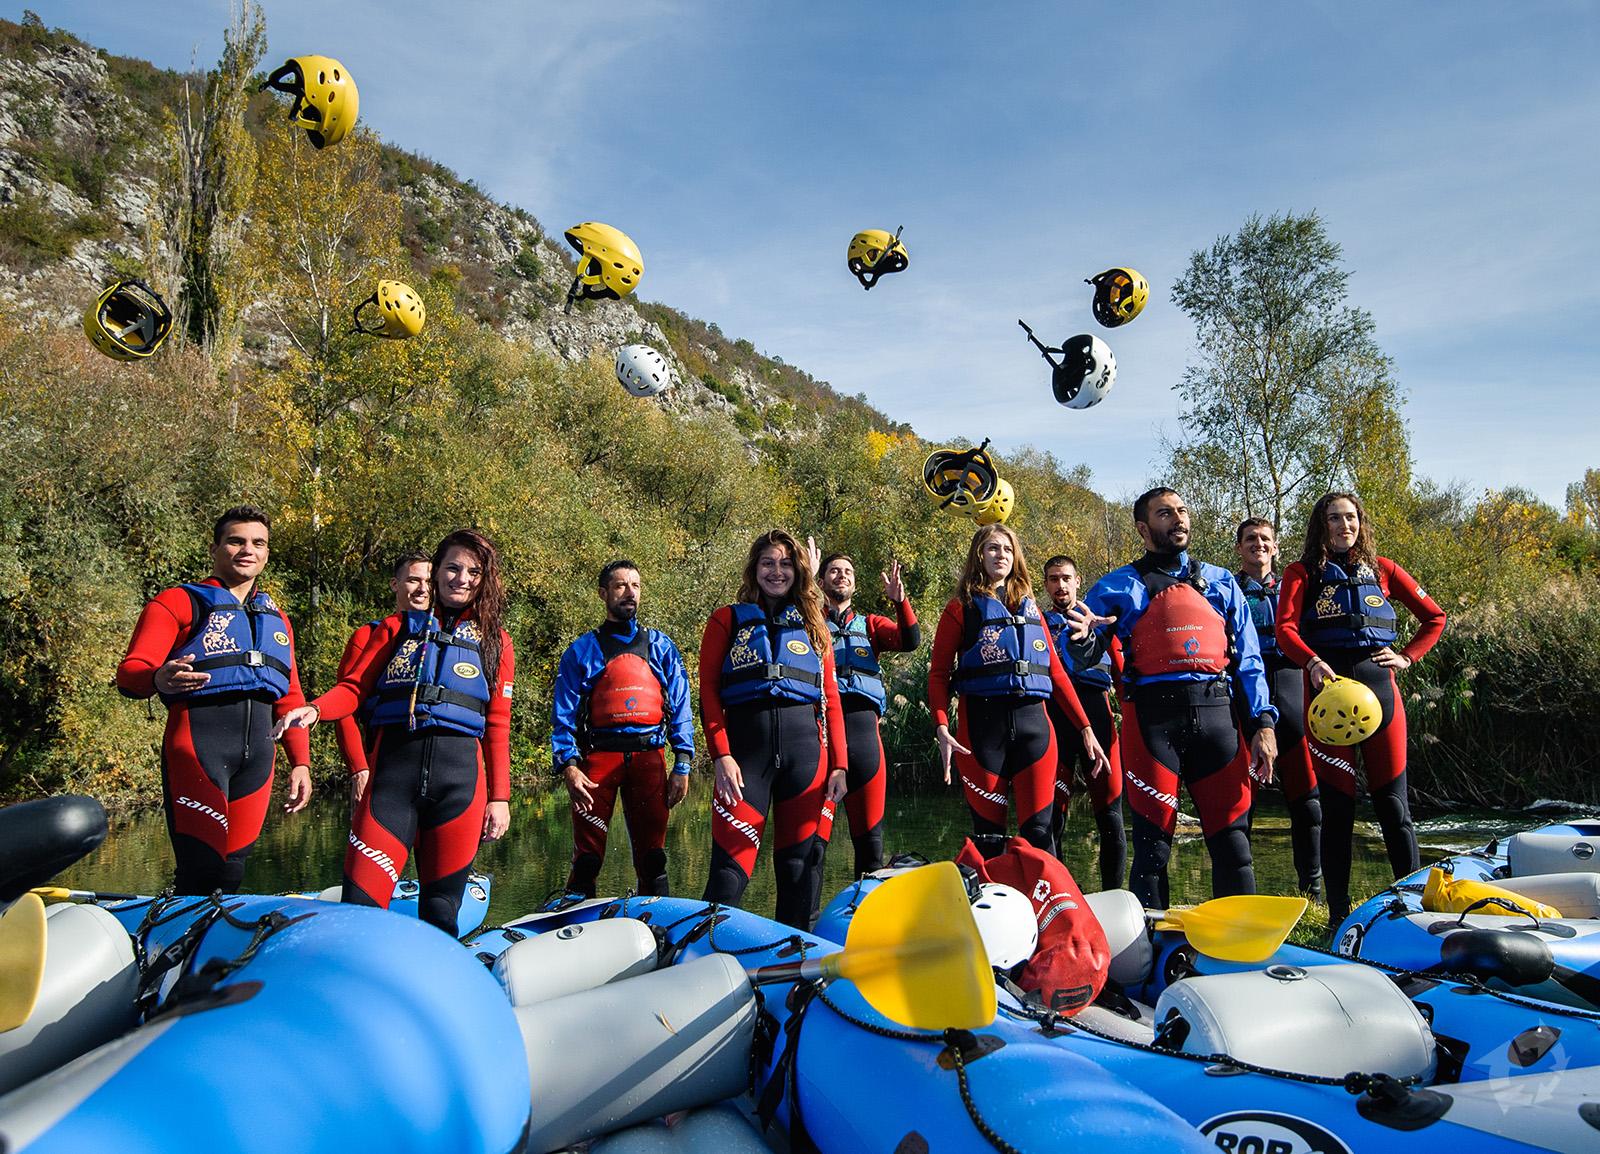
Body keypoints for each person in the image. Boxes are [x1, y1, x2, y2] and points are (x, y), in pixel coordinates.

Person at [275, 529, 513, 934]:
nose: (461, 579)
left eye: (473, 572)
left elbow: (497, 726)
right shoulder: (395, 628)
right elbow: (354, 688)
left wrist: (500, 798)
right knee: (359, 908)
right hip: (392, 785)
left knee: (441, 915)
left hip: (460, 791)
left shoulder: (497, 644)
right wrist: (315, 710)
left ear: (484, 579)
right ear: (435, 572)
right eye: (452, 568)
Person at [1067, 488, 1277, 908]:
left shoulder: (1221, 582)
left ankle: (1238, 940)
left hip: (1217, 717)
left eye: (1182, 511)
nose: (1178, 518)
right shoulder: (1117, 586)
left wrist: (1263, 724)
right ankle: (1150, 943)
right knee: (1152, 848)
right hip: (1153, 724)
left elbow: (1249, 661)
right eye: (1165, 513)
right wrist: (1084, 638)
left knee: (1234, 844)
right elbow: (1082, 655)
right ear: (1143, 528)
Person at [116, 506, 313, 895]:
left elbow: (291, 699)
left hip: (258, 758)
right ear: (215, 548)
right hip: (198, 748)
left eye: (258, 543)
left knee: (231, 873)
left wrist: (301, 763)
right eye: (236, 541)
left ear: (267, 552)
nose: (248, 550)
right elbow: (130, 671)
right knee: (201, 870)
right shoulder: (178, 601)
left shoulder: (277, 618)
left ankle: (214, 933)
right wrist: (157, 677)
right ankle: (175, 931)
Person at [1274, 492, 1446, 926]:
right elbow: (1285, 630)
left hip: (1381, 693)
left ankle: (1413, 908)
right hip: (1329, 699)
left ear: (1360, 522)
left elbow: (1435, 618)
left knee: (1394, 806)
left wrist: (1407, 657)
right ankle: (1338, 914)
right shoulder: (1301, 572)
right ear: (1322, 525)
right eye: (1334, 518)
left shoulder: (1385, 569)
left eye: (1350, 517)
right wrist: (1312, 662)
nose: (1344, 525)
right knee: (1337, 809)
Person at [928, 525, 1110, 853]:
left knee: (1040, 835)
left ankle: (1044, 888)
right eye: (993, 548)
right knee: (989, 838)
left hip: (1035, 730)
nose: (1001, 555)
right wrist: (941, 726)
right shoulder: (960, 608)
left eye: (1008, 549)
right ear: (979, 555)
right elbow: (939, 674)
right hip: (982, 732)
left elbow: (1056, 674)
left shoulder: (1032, 609)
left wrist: (1085, 728)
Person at [700, 529, 848, 929]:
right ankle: (702, 951)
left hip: (807, 761)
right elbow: (708, 692)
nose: (776, 572)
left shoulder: (814, 626)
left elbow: (831, 700)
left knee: (798, 868)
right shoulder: (726, 620)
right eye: (767, 563)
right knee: (729, 873)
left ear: (797, 571)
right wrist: (721, 755)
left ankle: (792, 958)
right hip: (744, 760)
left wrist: (840, 765)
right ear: (754, 569)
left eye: (785, 564)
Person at [550, 559, 695, 897]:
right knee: (587, 860)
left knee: (653, 859)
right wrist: (569, 766)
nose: (630, 592)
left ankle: (655, 919)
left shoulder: (660, 647)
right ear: (603, 593)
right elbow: (563, 714)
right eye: (620, 586)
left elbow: (681, 705)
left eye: (636, 586)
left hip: (649, 759)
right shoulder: (581, 651)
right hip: (597, 762)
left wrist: (683, 762)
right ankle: (573, 917)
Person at [816, 549, 921, 876]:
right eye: (834, 571)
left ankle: (866, 907)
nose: (842, 576)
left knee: (871, 848)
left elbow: (909, 640)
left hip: (864, 739)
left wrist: (900, 602)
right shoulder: (810, 624)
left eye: (847, 571)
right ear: (821, 582)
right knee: (812, 846)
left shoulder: (871, 625)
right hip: (821, 736)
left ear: (855, 584)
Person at [1234, 519, 1322, 898]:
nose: (1259, 544)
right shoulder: (1227, 589)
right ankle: (1242, 893)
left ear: (1276, 547)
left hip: (1291, 686)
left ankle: (1312, 890)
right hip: (1245, 694)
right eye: (1251, 539)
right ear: (1239, 548)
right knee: (1241, 801)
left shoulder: (1294, 588)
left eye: (1265, 539)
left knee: (1307, 799)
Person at [1040, 554, 1126, 891]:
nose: (1060, 585)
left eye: (1066, 578)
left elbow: (1122, 677)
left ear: (1078, 582)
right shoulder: (1037, 623)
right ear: (1046, 585)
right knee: (1052, 820)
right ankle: (1060, 900)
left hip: (1098, 718)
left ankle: (1114, 896)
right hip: (1055, 722)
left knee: (1111, 817)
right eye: (1053, 579)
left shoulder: (1100, 622)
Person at [332, 551, 432, 792]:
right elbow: (345, 708)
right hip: (380, 763)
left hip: (434, 766)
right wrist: (358, 769)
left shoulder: (451, 641)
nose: (422, 589)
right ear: (395, 584)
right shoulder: (367, 636)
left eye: (429, 582)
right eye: (413, 580)